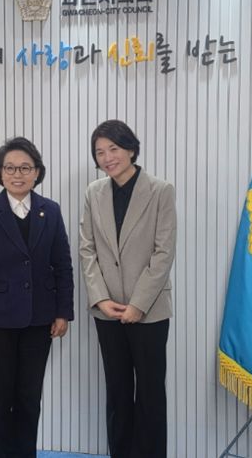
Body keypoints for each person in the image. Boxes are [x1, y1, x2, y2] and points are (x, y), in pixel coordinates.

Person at [0, 136, 74, 458]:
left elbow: (63, 265)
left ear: (37, 172)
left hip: (40, 320)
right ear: (0, 173)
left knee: (29, 399)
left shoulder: (50, 211)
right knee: (0, 401)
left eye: (25, 168)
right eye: (10, 168)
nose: (17, 174)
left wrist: (63, 312)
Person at [79, 120, 176, 458]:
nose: (107, 157)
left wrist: (138, 304)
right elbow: (87, 249)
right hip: (107, 311)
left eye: (114, 149)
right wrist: (101, 299)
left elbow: (163, 253)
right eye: (100, 152)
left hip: (149, 311)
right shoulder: (93, 193)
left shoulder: (161, 190)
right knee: (117, 391)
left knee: (150, 393)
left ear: (131, 149)